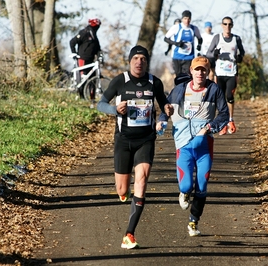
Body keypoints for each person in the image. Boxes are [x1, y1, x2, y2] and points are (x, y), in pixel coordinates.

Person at [97, 45, 173, 249]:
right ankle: (124, 192)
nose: (139, 62)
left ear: (147, 62)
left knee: (142, 179)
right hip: (123, 140)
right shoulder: (120, 81)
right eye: (136, 58)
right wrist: (115, 109)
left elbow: (164, 105)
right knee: (122, 189)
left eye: (143, 59)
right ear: (130, 61)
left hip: (145, 140)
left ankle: (129, 234)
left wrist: (166, 111)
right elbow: (100, 104)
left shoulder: (154, 82)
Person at [157, 56, 229, 237]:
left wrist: (210, 127)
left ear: (208, 72)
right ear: (191, 71)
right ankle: (184, 193)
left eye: (204, 70)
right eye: (197, 69)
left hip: (205, 147)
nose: (200, 73)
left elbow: (224, 114)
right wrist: (161, 120)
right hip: (184, 145)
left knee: (202, 186)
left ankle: (193, 222)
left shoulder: (214, 90)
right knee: (186, 185)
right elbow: (166, 108)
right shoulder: (180, 90)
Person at [206, 16, 245, 135]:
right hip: (220, 73)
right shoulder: (217, 37)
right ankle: (222, 122)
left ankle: (231, 120)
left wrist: (240, 58)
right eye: (225, 24)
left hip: (232, 72)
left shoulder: (236, 38)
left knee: (230, 96)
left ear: (232, 26)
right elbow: (208, 53)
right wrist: (215, 54)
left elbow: (242, 52)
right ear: (222, 25)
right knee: (221, 98)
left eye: (229, 24)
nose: (227, 26)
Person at [164, 10, 203, 76]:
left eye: (189, 19)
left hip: (189, 57)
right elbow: (166, 38)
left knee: (188, 76)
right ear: (182, 19)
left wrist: (199, 45)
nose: (187, 21)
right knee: (178, 77)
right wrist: (176, 43)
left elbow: (200, 39)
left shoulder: (194, 28)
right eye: (185, 18)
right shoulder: (176, 27)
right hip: (177, 56)